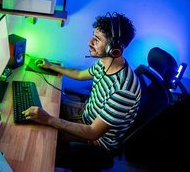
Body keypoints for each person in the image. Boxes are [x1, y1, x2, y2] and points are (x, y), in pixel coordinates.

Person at [22, 12, 141, 171]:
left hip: (95, 143)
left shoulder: (123, 90)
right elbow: (79, 74)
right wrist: (51, 66)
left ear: (115, 49)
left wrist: (49, 119)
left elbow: (93, 133)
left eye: (97, 39)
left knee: (38, 142)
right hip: (84, 116)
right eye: (93, 36)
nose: (90, 42)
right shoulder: (104, 63)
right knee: (38, 115)